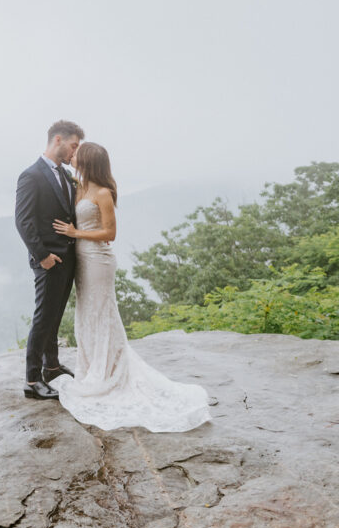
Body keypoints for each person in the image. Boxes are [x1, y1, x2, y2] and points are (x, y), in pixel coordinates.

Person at [50, 142, 211, 432]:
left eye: (77, 154)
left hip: (98, 260)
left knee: (101, 312)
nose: (72, 156)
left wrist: (76, 232)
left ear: (88, 160)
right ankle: (92, 369)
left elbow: (110, 232)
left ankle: (109, 371)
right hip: (82, 260)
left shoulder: (102, 193)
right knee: (86, 313)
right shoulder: (79, 186)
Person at [15, 120, 84, 400]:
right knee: (43, 318)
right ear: (58, 140)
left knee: (55, 317)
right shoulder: (31, 176)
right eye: (73, 146)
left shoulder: (67, 175)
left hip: (68, 259)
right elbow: (23, 221)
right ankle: (32, 380)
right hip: (48, 259)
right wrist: (42, 256)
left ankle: (52, 367)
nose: (75, 152)